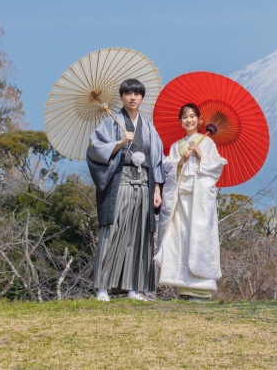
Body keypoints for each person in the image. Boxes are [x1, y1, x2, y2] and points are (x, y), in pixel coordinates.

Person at [86, 78, 165, 302]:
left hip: (144, 184)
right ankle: (103, 286)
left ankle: (134, 287)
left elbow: (157, 161)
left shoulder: (149, 127)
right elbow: (94, 149)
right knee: (113, 231)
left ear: (142, 97)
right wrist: (119, 143)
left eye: (137, 94)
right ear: (121, 97)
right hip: (120, 181)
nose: (132, 97)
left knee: (139, 233)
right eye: (128, 93)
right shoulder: (111, 123)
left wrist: (157, 190)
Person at [154, 103, 227, 300]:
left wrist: (201, 156)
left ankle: (202, 285)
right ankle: (182, 285)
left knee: (199, 237)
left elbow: (216, 168)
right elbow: (167, 169)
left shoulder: (207, 143)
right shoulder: (177, 145)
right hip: (180, 197)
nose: (189, 120)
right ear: (181, 122)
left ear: (200, 120)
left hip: (199, 199)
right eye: (185, 117)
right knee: (180, 238)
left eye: (193, 116)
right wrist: (180, 161)